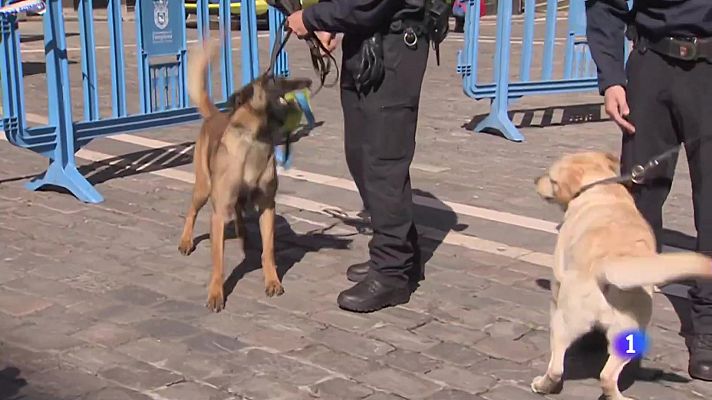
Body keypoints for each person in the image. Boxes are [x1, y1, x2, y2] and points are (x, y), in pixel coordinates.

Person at [586, 0, 712, 381]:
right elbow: (605, 4)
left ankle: (708, 325)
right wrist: (611, 77)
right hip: (650, 62)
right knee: (638, 206)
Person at [286, 0, 434, 312]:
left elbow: (368, 3)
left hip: (394, 50)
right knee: (360, 156)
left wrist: (311, 18)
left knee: (384, 163)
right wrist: (330, 23)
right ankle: (401, 255)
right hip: (364, 47)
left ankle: (392, 273)